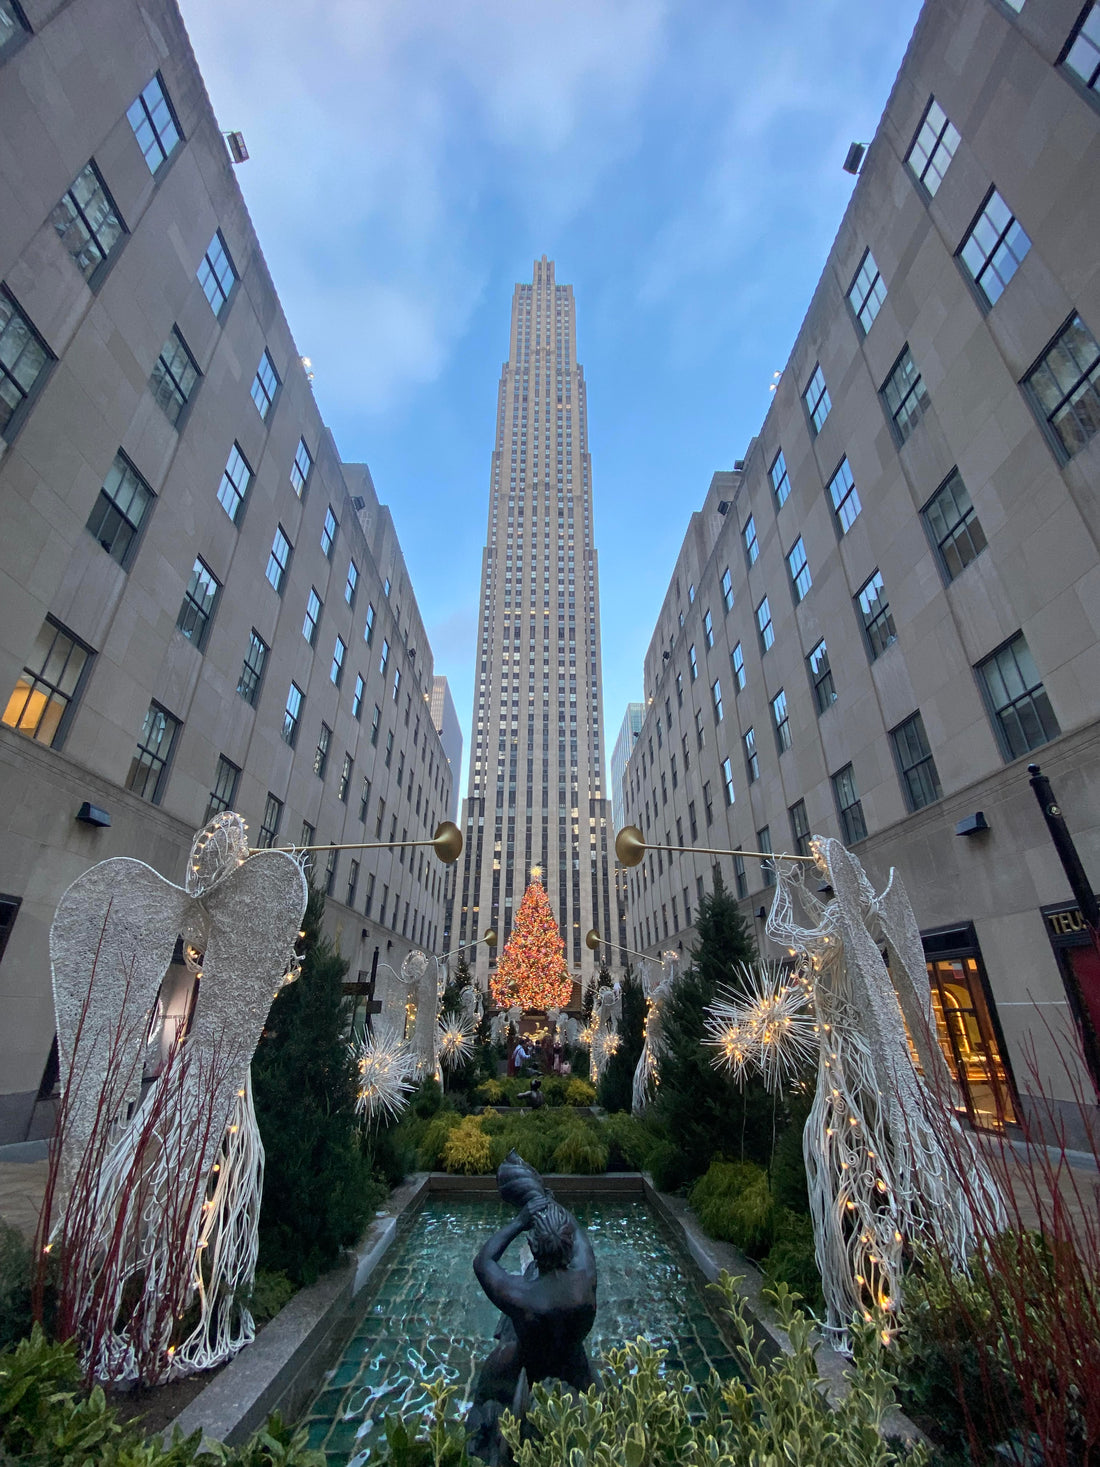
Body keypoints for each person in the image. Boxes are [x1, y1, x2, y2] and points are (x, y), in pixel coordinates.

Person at [467, 1152, 598, 1461]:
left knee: (486, 1388)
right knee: (598, 1398)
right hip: (572, 1359)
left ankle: (482, 1437)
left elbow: (483, 1262)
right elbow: (576, 1231)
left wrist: (520, 1220)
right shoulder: (585, 1279)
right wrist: (549, 1204)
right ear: (569, 1246)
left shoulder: (523, 1297)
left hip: (526, 1359)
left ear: (534, 1248)